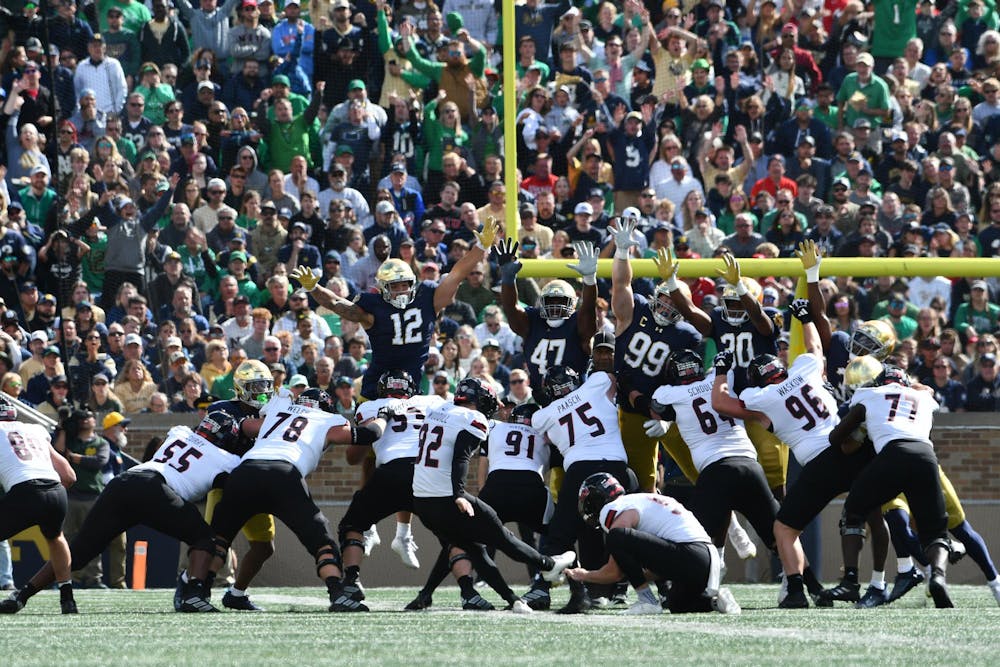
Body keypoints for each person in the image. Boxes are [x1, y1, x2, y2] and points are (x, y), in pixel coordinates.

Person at [208, 386, 387, 612]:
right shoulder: (327, 419)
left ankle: (195, 589)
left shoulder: (276, 414)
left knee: (218, 540)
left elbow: (243, 427)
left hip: (245, 472)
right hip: (284, 475)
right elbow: (369, 435)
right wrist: (382, 417)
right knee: (321, 541)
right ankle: (337, 593)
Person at [412, 376, 574, 613]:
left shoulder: (438, 408)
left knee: (469, 545)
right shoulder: (476, 419)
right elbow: (461, 457)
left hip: (423, 498)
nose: (495, 406)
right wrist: (458, 494)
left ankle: (506, 599)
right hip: (452, 494)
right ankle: (549, 567)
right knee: (504, 538)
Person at [290, 219, 500, 400]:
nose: (400, 291)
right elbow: (337, 304)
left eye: (404, 285)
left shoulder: (428, 298)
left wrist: (480, 248)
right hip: (376, 388)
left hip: (410, 389)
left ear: (412, 284)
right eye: (394, 286)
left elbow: (456, 274)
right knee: (365, 442)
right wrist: (313, 288)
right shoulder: (373, 308)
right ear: (382, 288)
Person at [659, 249, 789, 498]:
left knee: (773, 467)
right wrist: (674, 284)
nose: (735, 309)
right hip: (728, 403)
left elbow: (761, 321)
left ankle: (779, 519)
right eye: (731, 303)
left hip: (762, 400)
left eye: (741, 302)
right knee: (723, 467)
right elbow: (691, 313)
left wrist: (740, 287)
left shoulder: (765, 317)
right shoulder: (719, 318)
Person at [831, 357, 957, 608]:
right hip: (926, 457)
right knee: (935, 532)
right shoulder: (924, 397)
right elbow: (927, 394)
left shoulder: (869, 395)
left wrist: (861, 425)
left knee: (853, 511)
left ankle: (851, 580)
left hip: (891, 455)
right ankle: (938, 578)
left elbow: (837, 437)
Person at [530, 365, 637, 613]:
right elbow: (609, 377)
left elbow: (541, 427)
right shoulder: (595, 384)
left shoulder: (543, 415)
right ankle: (658, 587)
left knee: (562, 534)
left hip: (580, 471)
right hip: (618, 468)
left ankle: (541, 588)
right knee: (633, 529)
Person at [606, 216, 701, 492]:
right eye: (665, 297)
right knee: (640, 481)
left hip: (668, 409)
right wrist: (622, 252)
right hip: (632, 407)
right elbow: (621, 282)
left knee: (701, 469)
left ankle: (730, 524)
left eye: (675, 301)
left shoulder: (686, 335)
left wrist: (670, 418)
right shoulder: (636, 311)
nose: (667, 305)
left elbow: (686, 382)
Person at [565, 472, 741, 616]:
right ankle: (718, 601)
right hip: (707, 560)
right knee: (677, 604)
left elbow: (614, 573)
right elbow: (659, 562)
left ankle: (646, 600)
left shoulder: (614, 508)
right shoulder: (643, 499)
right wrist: (635, 574)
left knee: (616, 536)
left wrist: (583, 575)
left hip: (691, 554)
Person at [337, 370, 443, 604]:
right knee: (454, 534)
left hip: (391, 474)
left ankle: (352, 579)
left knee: (352, 524)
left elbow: (354, 458)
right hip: (428, 474)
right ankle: (468, 590)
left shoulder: (370, 407)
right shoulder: (433, 402)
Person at [0, 398, 77, 615]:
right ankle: (67, 599)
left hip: (25, 491)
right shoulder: (34, 429)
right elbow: (69, 476)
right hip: (55, 490)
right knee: (55, 538)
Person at [495, 238, 598, 390]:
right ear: (542, 303)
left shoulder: (577, 323)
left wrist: (589, 279)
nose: (555, 307)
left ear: (573, 304)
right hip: (541, 396)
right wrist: (508, 279)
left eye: (561, 302)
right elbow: (510, 308)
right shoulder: (533, 321)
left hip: (575, 397)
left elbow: (589, 308)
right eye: (551, 301)